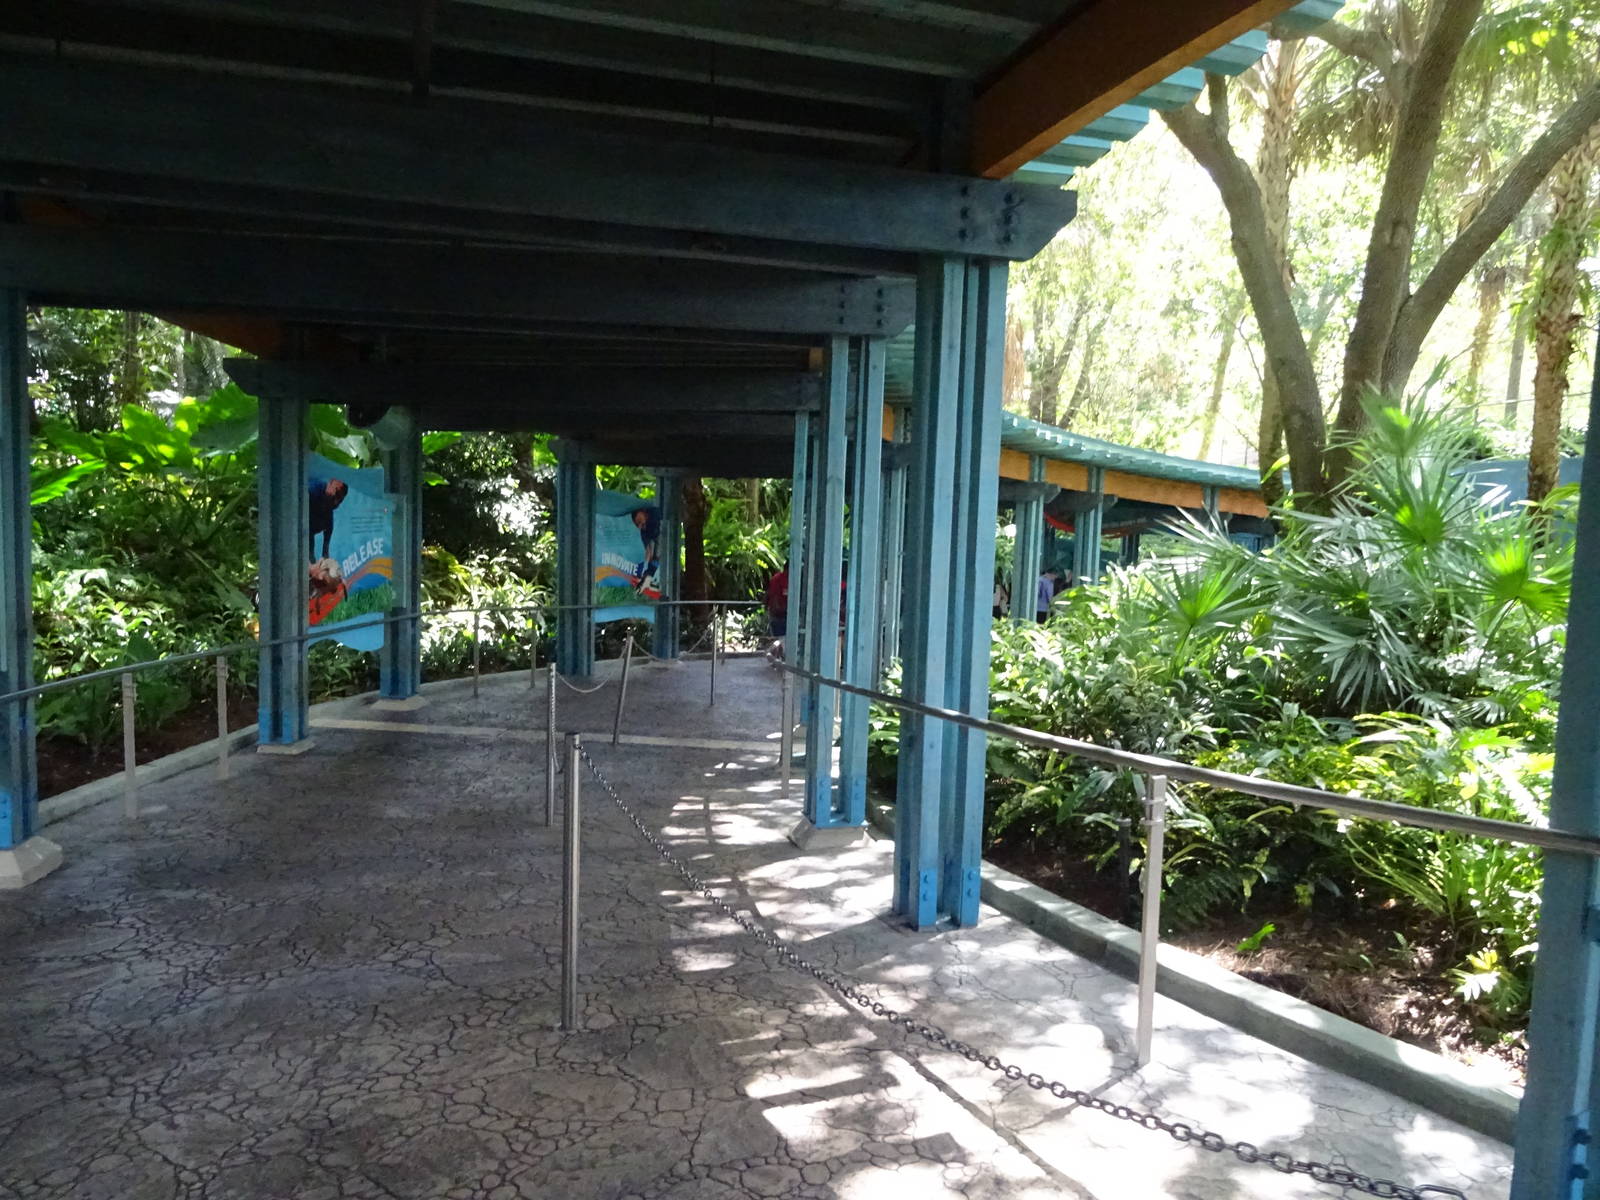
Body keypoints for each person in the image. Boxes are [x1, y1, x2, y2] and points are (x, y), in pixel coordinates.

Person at [308, 477, 348, 562]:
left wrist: (325, 557)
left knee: (311, 558)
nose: (336, 502)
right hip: (302, 528)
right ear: (330, 483)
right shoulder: (313, 489)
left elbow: (325, 549)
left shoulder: (329, 511)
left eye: (339, 500)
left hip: (310, 530)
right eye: (336, 492)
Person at [630, 505, 661, 593]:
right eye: (637, 524)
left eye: (640, 521)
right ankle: (644, 582)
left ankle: (646, 581)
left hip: (660, 539)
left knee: (654, 560)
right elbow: (648, 551)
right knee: (652, 562)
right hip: (654, 550)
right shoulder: (644, 532)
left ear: (645, 514)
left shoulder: (654, 514)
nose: (640, 525)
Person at [764, 562, 790, 658]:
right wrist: (775, 609)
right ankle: (778, 659)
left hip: (786, 613)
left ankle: (779, 659)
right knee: (779, 638)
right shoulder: (778, 579)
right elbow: (773, 595)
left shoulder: (792, 579)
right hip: (778, 614)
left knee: (781, 639)